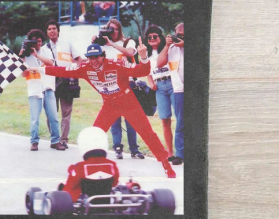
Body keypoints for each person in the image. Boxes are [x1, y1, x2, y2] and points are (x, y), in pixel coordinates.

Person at [33, 40, 176, 178]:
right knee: (95, 134)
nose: (93, 61)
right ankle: (90, 165)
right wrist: (38, 69)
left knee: (147, 133)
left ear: (103, 56)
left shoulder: (117, 64)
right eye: (90, 58)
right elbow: (62, 70)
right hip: (109, 105)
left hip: (128, 103)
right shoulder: (85, 68)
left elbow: (142, 71)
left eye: (96, 57)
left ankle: (165, 164)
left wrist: (143, 57)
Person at [92, 19, 145, 160]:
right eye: (111, 29)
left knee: (131, 119)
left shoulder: (127, 42)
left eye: (116, 29)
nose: (113, 32)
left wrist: (112, 44)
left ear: (120, 30)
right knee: (114, 119)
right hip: (111, 87)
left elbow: (130, 53)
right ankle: (117, 148)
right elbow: (93, 61)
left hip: (128, 85)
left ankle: (134, 149)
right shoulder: (102, 46)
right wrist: (94, 43)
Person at [19, 29, 65, 151]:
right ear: (31, 42)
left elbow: (51, 63)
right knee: (35, 118)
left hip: (48, 87)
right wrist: (22, 58)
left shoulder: (46, 50)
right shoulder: (25, 55)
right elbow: (23, 74)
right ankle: (34, 142)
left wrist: (37, 55)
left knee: (54, 117)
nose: (38, 44)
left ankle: (55, 141)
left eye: (40, 41)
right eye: (36, 42)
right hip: (34, 89)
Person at [43, 20, 83, 149]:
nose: (52, 31)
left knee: (66, 112)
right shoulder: (44, 49)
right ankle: (55, 139)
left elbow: (78, 58)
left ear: (58, 30)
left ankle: (64, 139)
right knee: (51, 112)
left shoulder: (67, 43)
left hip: (66, 82)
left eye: (54, 28)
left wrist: (75, 71)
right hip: (51, 82)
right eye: (49, 29)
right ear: (47, 32)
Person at [59, 127, 119, 202]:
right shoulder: (112, 165)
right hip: (106, 202)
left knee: (66, 189)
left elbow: (69, 187)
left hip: (86, 205)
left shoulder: (79, 167)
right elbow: (114, 183)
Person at [145, 25, 176, 162]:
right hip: (159, 87)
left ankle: (181, 150)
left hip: (172, 83)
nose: (152, 39)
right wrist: (151, 82)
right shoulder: (147, 54)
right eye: (149, 37)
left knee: (180, 117)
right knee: (165, 119)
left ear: (160, 37)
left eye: (154, 36)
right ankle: (170, 152)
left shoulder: (169, 48)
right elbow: (147, 70)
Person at [157, 23, 184, 165]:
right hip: (178, 88)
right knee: (180, 121)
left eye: (183, 35)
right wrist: (167, 46)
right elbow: (159, 63)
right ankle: (180, 154)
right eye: (178, 35)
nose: (180, 38)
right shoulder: (172, 48)